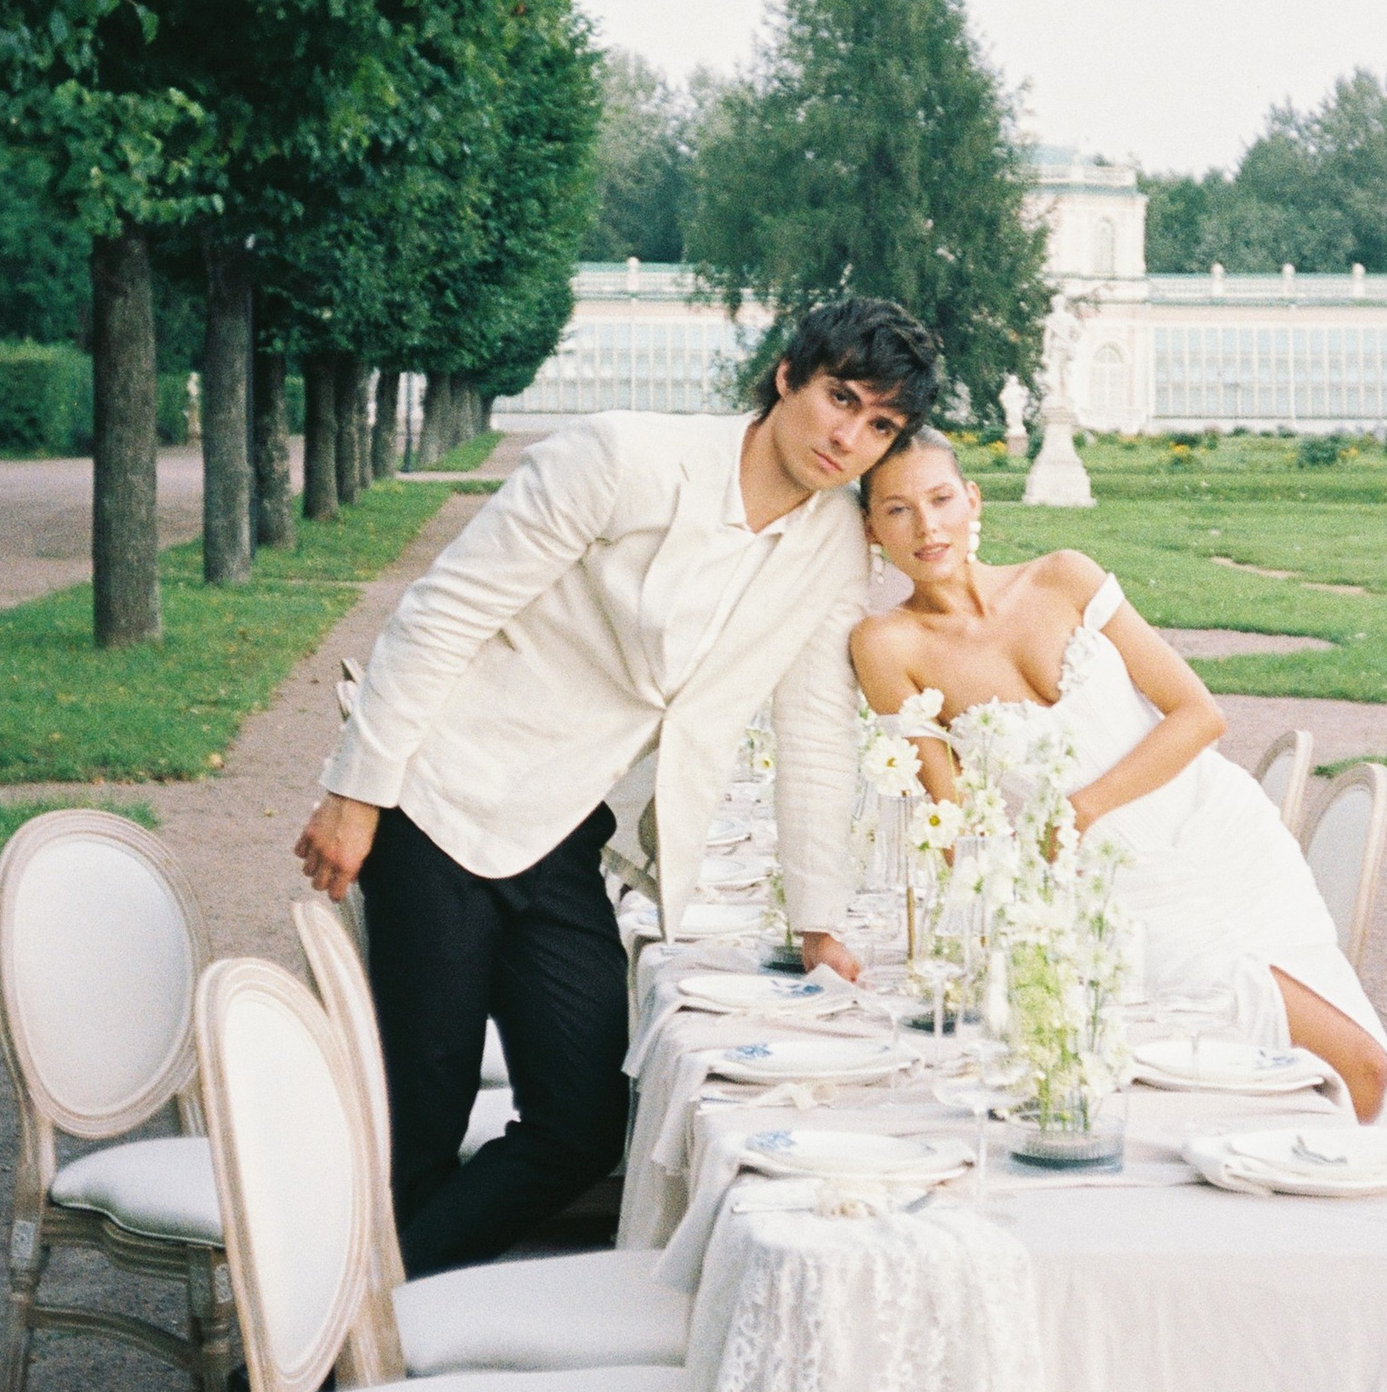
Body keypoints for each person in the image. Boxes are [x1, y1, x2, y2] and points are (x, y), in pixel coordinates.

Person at [296, 298, 942, 1272]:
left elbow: (813, 729)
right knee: (419, 1134)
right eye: (839, 397)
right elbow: (445, 611)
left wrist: (817, 919)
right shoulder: (620, 457)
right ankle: (316, 1375)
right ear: (786, 377)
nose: (848, 436)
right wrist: (359, 790)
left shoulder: (830, 547)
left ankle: (350, 1313)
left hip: (563, 831)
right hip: (437, 800)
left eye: (880, 424)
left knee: (584, 1124)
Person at [850, 430, 1387, 1120]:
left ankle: (1356, 1197)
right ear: (872, 527)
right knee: (1330, 1069)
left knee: (1361, 1067)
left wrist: (1084, 806)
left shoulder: (1064, 575)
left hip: (1221, 835)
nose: (927, 526)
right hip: (1113, 894)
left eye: (940, 498)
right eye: (898, 510)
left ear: (972, 498)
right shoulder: (888, 644)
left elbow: (1199, 713)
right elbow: (952, 821)